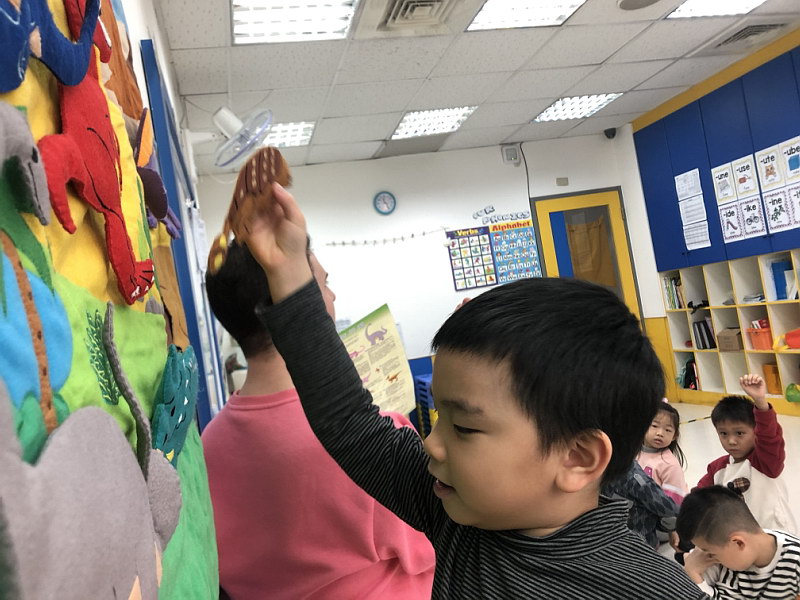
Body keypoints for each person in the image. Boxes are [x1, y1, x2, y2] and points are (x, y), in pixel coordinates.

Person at [238, 179, 707, 599]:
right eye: (440, 418)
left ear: (577, 457)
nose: (431, 443)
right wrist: (289, 274)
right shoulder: (458, 509)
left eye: (463, 427)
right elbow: (350, 423)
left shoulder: (651, 589)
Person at [202, 238, 435, 600]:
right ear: (297, 302)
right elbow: (435, 545)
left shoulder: (207, 445)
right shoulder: (373, 443)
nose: (333, 296)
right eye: (324, 284)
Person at [696, 374, 796, 533]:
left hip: (775, 535)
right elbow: (699, 497)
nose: (731, 441)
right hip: (740, 537)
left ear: (756, 431)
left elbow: (769, 437)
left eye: (739, 433)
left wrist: (760, 402)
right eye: (723, 434)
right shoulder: (717, 468)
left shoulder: (766, 462)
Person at [676, 485, 800, 599]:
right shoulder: (725, 560)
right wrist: (692, 572)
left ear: (738, 543)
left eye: (711, 553)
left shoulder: (795, 562)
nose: (704, 555)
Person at [602, 460, 679, 548]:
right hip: (639, 541)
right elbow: (667, 508)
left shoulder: (597, 470)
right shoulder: (633, 475)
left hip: (607, 537)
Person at [637, 401, 689, 505]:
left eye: (668, 430)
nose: (660, 433)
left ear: (674, 436)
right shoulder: (631, 453)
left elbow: (674, 503)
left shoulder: (669, 465)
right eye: (654, 426)